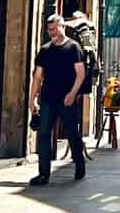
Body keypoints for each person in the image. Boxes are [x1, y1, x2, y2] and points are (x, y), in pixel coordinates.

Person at [28, 14, 87, 186]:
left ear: (62, 26)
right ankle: (43, 174)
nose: (51, 32)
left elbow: (80, 74)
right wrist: (33, 100)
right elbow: (37, 77)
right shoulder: (45, 50)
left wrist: (72, 93)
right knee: (44, 134)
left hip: (67, 98)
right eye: (49, 29)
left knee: (72, 134)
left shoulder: (73, 48)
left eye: (54, 28)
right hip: (48, 98)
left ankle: (79, 163)